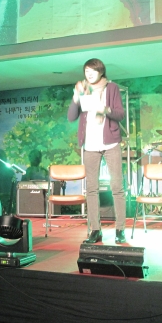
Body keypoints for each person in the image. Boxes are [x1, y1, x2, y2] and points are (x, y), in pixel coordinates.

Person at [68, 58, 127, 244]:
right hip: (90, 145)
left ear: (101, 72)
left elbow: (120, 114)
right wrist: (76, 97)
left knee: (117, 187)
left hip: (110, 143)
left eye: (93, 71)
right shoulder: (82, 89)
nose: (89, 74)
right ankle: (95, 230)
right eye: (86, 71)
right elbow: (71, 117)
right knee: (91, 189)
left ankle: (120, 230)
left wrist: (104, 109)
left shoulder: (112, 88)